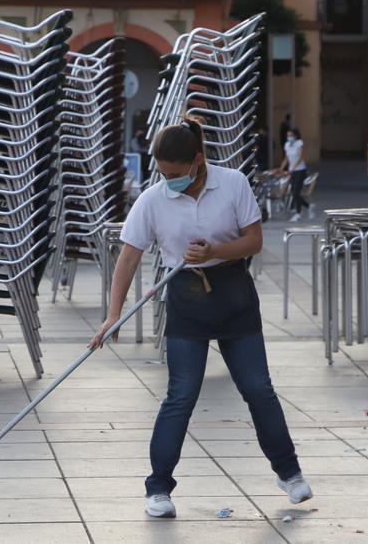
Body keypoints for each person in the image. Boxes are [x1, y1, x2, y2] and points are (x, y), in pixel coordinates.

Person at [88, 119, 312, 519]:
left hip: (234, 294)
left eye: (174, 173)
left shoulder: (232, 183)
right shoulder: (153, 199)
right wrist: (113, 314)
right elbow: (128, 257)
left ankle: (289, 472)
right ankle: (158, 487)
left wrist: (214, 250)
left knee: (259, 388)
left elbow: (254, 241)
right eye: (161, 173)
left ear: (197, 160)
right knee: (181, 394)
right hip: (187, 299)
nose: (167, 180)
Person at [279, 127, 312, 221]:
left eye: (291, 135)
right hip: (292, 171)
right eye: (288, 135)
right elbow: (286, 158)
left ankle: (298, 213)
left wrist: (294, 168)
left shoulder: (299, 143)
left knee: (296, 192)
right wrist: (281, 168)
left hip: (300, 170)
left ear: (295, 136)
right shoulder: (287, 145)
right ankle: (309, 206)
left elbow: (301, 157)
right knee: (294, 193)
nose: (289, 137)